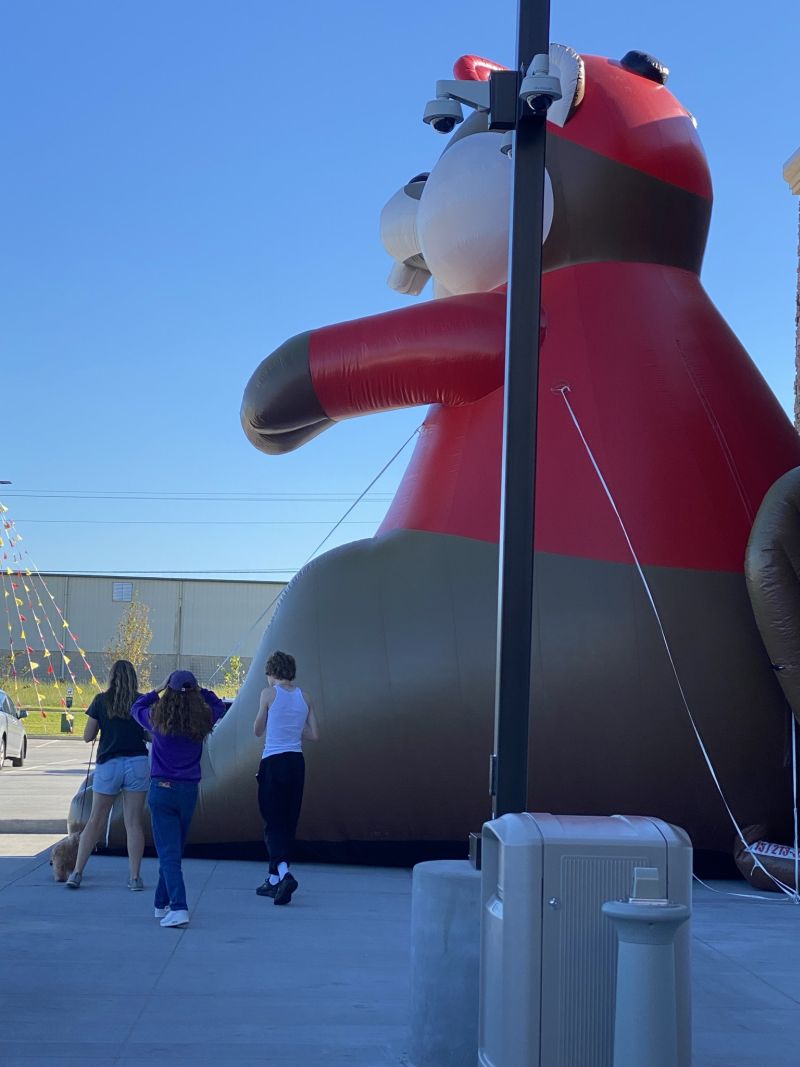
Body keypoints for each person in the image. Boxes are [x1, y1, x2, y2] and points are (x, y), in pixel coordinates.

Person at [130, 670, 226, 928]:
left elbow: (135, 706)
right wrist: (199, 690)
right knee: (171, 849)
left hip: (162, 789)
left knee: (168, 851)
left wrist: (158, 689)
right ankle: (161, 903)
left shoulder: (156, 718)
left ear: (169, 692)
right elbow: (219, 706)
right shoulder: (203, 719)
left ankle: (179, 906)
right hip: (188, 791)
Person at [66, 659, 148, 891]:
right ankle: (134, 877)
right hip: (137, 762)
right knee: (133, 822)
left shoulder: (101, 700)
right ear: (133, 677)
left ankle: (78, 872)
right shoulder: (141, 701)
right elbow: (150, 735)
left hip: (108, 764)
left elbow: (88, 736)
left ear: (112, 677)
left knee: (95, 820)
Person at [253, 650, 319, 905]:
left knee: (272, 820)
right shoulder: (306, 697)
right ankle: (273, 881)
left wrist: (269, 716)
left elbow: (257, 730)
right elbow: (315, 735)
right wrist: (292, 724)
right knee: (288, 821)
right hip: (296, 762)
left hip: (273, 761)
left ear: (272, 673)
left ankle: (283, 874)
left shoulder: (268, 694)